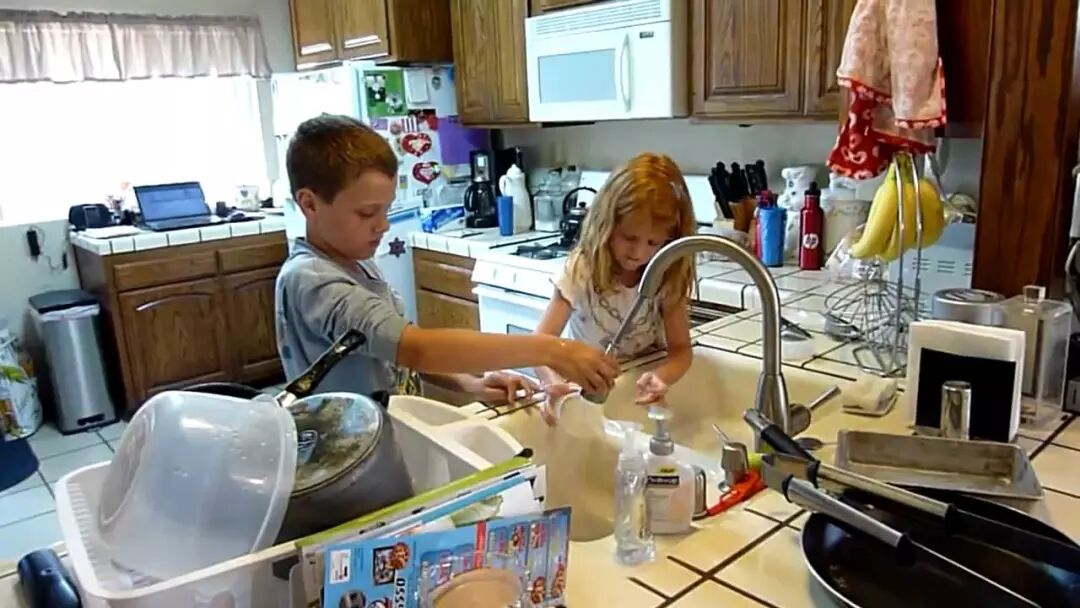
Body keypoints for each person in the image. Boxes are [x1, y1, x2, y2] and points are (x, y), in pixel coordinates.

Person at [275, 114, 618, 403]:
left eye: (386, 210)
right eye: (367, 213)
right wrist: (552, 350)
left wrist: (471, 383)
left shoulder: (354, 260)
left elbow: (394, 354)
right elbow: (415, 348)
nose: (383, 225)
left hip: (383, 437)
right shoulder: (314, 281)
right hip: (345, 454)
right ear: (309, 203)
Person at [534, 153, 697, 424]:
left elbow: (681, 350)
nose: (638, 252)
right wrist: (552, 383)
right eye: (628, 237)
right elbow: (539, 347)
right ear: (606, 224)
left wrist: (662, 377)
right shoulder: (582, 270)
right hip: (585, 393)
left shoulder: (666, 274)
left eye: (653, 242)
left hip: (634, 394)